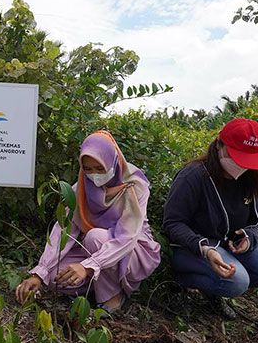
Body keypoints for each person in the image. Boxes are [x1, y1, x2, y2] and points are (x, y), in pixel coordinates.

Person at [15, 131, 161, 312]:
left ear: (112, 161)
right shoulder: (81, 188)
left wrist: (89, 266)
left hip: (132, 252)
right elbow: (64, 229)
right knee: (54, 277)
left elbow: (127, 237)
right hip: (95, 253)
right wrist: (40, 273)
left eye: (100, 169)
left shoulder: (134, 186)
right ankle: (97, 285)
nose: (94, 175)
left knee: (95, 237)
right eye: (88, 169)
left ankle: (113, 297)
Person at [162, 118, 258, 318]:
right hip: (193, 248)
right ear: (219, 145)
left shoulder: (253, 180)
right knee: (237, 282)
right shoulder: (194, 176)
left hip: (229, 246)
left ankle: (220, 280)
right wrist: (205, 249)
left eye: (247, 160)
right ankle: (182, 279)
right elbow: (172, 223)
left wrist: (248, 239)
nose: (241, 166)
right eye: (236, 157)